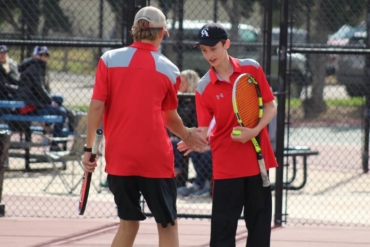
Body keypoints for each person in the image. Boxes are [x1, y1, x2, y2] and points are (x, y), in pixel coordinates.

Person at [81, 6, 207, 247]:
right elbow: (170, 119)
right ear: (162, 33)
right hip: (155, 159)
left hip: (120, 157)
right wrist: (189, 136)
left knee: (128, 225)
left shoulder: (108, 59)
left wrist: (90, 149)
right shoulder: (170, 70)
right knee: (168, 225)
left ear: (134, 31)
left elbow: (96, 107)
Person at [178, 23, 278, 247]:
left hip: (257, 163)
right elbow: (204, 130)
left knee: (260, 233)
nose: (209, 55)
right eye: (204, 50)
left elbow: (271, 106)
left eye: (213, 48)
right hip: (226, 170)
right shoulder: (203, 87)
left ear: (226, 45)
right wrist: (192, 139)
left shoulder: (251, 68)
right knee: (222, 236)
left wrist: (253, 131)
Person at [15, 46, 67, 151]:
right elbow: (39, 89)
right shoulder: (35, 67)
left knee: (59, 99)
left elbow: (40, 90)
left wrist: (49, 100)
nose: (43, 57)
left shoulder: (35, 65)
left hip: (34, 101)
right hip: (30, 106)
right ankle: (54, 145)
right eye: (41, 55)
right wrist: (49, 101)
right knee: (62, 112)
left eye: (45, 55)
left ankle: (47, 126)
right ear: (34, 55)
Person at [173, 70, 213, 197]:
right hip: (183, 134)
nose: (179, 84)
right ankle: (195, 183)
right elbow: (172, 120)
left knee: (201, 153)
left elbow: (199, 124)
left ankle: (200, 184)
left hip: (199, 136)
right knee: (176, 144)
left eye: (182, 81)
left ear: (190, 82)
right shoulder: (178, 99)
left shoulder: (198, 101)